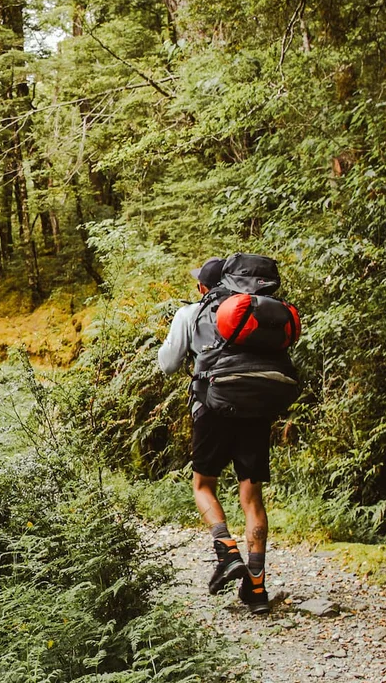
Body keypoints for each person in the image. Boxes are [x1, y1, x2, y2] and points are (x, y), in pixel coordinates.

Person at [156, 255, 278, 615]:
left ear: (202, 288)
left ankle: (227, 552)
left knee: (203, 485)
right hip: (256, 410)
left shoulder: (190, 313)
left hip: (211, 407)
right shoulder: (256, 314)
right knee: (252, 498)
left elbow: (167, 364)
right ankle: (256, 589)